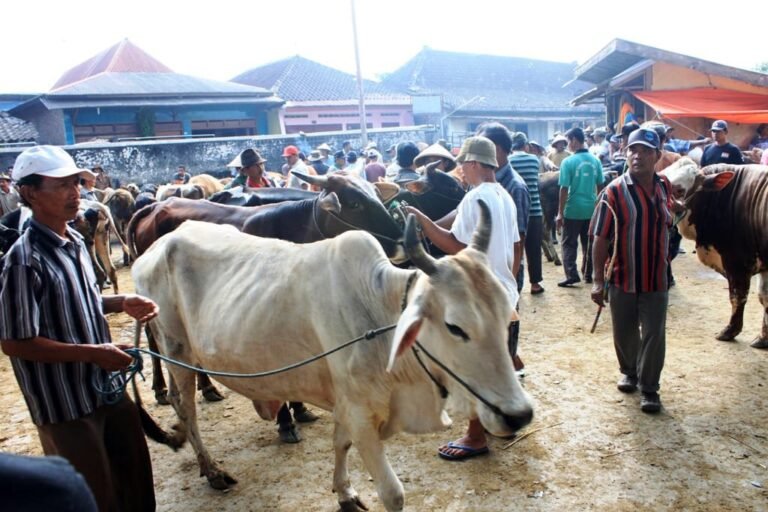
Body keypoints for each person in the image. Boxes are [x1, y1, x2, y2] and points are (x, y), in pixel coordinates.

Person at [0, 145, 159, 511]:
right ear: (28, 193)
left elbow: (76, 302)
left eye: (75, 182)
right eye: (61, 185)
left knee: (134, 481)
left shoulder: (74, 241)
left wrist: (121, 302)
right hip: (65, 403)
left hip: (104, 387)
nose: (75, 193)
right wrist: (94, 353)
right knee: (94, 496)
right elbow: (15, 341)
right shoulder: (23, 261)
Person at [404, 136, 521, 461]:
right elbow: (513, 246)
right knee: (498, 363)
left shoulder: (475, 198)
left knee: (475, 366)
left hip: (477, 298)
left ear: (473, 164)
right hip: (501, 293)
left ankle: (475, 435)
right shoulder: (504, 196)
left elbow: (456, 246)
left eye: (463, 167)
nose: (462, 173)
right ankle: (502, 419)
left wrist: (423, 225)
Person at [590, 128, 674, 414]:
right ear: (625, 154)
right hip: (623, 276)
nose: (637, 156)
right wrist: (598, 281)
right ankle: (629, 371)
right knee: (625, 331)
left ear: (657, 156)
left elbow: (668, 219)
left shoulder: (664, 186)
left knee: (654, 333)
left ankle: (650, 388)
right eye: (632, 150)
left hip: (656, 276)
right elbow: (599, 237)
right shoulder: (612, 192)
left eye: (645, 151)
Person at [477, 124, 529, 375]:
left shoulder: (514, 186)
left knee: (507, 323)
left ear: (499, 150)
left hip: (505, 267)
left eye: (483, 147)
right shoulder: (481, 180)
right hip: (486, 266)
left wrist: (508, 279)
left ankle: (509, 372)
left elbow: (518, 242)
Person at [556, 127, 604, 287]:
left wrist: (560, 213)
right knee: (588, 243)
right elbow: (600, 186)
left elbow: (563, 189)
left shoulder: (568, 162)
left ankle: (571, 274)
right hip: (591, 209)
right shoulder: (596, 161)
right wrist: (597, 207)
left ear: (575, 140)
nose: (568, 144)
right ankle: (588, 275)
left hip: (572, 209)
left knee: (569, 243)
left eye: (569, 141)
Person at [508, 131, 545, 295]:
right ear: (526, 146)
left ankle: (514, 280)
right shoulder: (534, 160)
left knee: (515, 247)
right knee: (534, 249)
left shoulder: (508, 161)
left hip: (515, 211)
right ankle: (535, 284)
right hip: (535, 210)